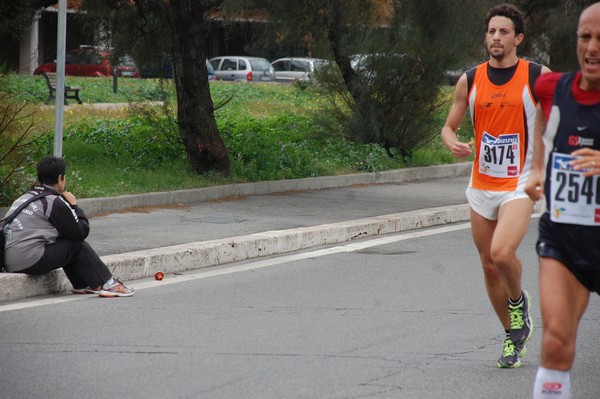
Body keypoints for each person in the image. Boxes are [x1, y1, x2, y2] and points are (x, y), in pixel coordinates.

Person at [441, 3, 550, 368]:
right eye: (491, 32)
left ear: (518, 38)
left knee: (502, 254)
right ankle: (512, 335)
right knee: (488, 265)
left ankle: (518, 303)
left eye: (504, 32)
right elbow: (448, 125)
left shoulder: (536, 75)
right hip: (481, 183)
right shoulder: (469, 80)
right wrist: (451, 141)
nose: (496, 38)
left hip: (519, 183)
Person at [525, 3, 600, 397]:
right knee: (556, 341)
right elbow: (541, 113)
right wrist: (538, 167)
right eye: (585, 37)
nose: (592, 48)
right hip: (564, 237)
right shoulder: (552, 86)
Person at [3, 156, 134, 298]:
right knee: (75, 244)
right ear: (60, 178)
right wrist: (74, 205)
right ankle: (108, 284)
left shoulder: (25, 197)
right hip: (29, 261)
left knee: (66, 242)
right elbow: (80, 232)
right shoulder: (53, 201)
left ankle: (83, 284)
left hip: (9, 260)